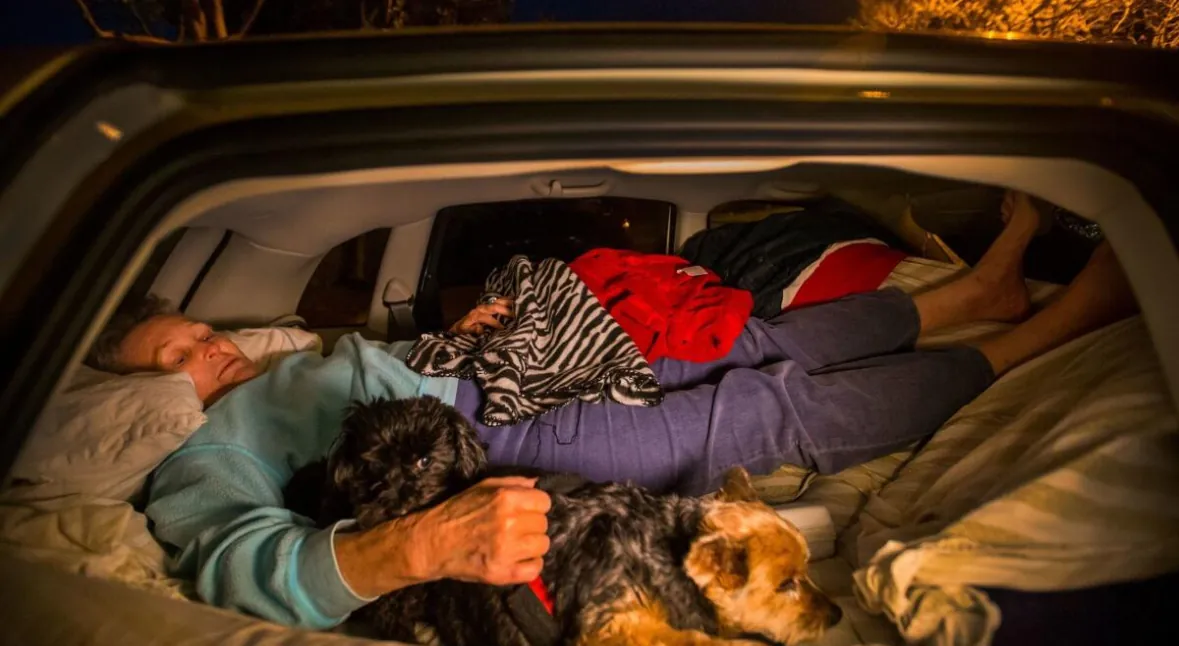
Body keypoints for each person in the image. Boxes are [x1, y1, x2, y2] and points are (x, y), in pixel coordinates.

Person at [91, 191, 1136, 629]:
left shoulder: (288, 357)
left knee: (747, 338)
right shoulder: (199, 452)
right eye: (175, 357)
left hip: (506, 363)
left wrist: (480, 327)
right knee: (756, 416)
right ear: (144, 396)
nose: (209, 347)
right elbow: (242, 566)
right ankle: (1034, 336)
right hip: (490, 437)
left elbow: (399, 356)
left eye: (200, 328)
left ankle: (973, 294)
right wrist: (417, 544)